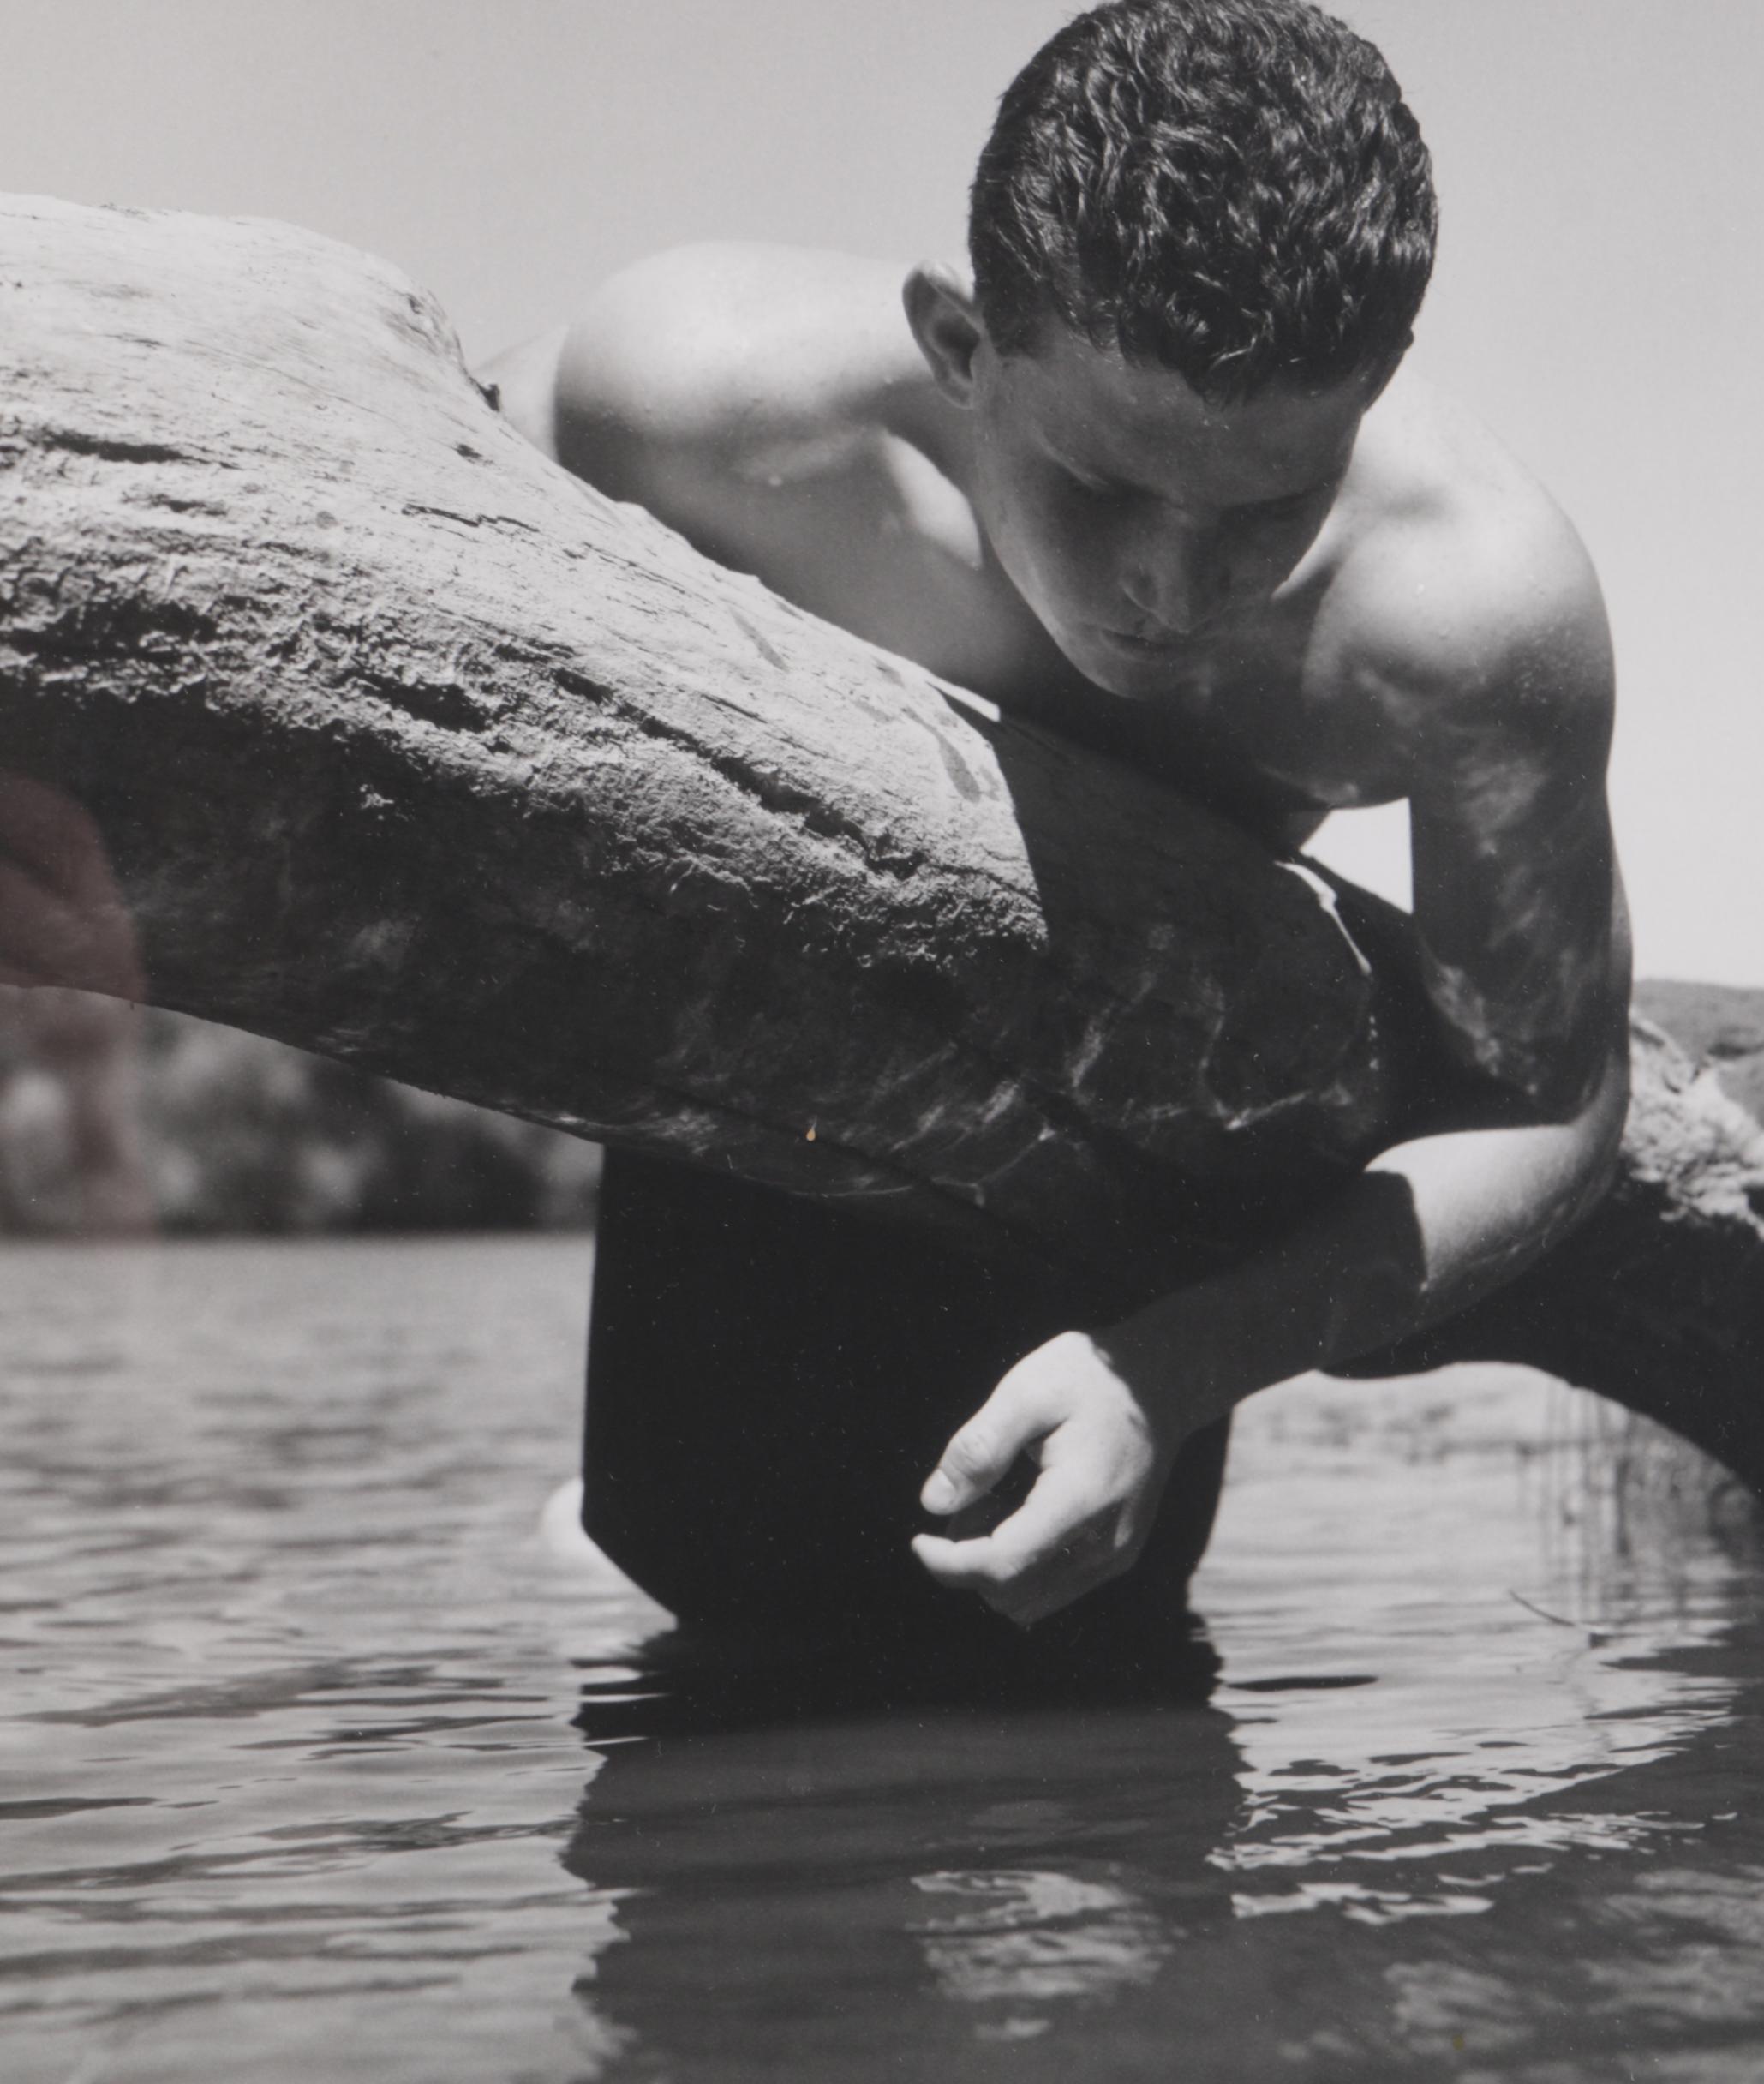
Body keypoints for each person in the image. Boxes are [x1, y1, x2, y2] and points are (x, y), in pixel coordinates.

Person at [484, 0, 1629, 1662]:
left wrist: (1177, 1365)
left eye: (1262, 510)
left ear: (1372, 391)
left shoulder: (1464, 616)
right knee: (674, 1614)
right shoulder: (685, 394)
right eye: (1096, 487)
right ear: (961, 345)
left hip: (1129, 1213)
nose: (1171, 588)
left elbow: (1549, 1101)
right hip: (733, 1163)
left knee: (1076, 1720)